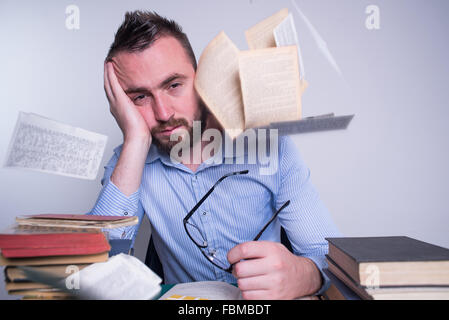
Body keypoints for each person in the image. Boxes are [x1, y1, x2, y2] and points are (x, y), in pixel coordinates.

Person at [89, 10, 340, 300]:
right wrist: (134, 140)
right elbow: (96, 271)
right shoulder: (128, 164)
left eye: (174, 85)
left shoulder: (273, 149)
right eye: (140, 97)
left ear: (200, 80)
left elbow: (326, 256)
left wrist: (303, 274)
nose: (163, 113)